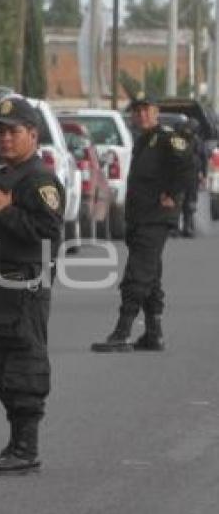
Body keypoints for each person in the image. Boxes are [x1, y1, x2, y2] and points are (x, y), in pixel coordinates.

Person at [0, 96, 64, 475]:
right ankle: (16, 442)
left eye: (13, 132)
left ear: (32, 134)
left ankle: (26, 447)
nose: (5, 139)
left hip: (24, 285)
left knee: (23, 364)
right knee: (2, 365)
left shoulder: (39, 179)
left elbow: (47, 233)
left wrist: (7, 211)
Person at [90, 93, 194, 353]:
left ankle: (122, 332)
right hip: (140, 217)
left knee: (137, 275)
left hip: (155, 218)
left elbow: (187, 166)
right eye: (137, 112)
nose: (142, 115)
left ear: (156, 111)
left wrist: (172, 194)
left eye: (146, 110)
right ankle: (153, 332)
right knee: (151, 277)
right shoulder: (143, 141)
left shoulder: (168, 138)